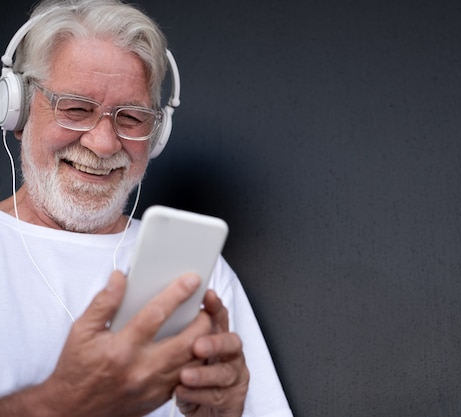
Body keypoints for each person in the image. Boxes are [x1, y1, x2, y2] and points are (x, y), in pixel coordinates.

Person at [0, 1, 293, 416]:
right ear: (18, 107)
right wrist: (61, 402)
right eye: (77, 108)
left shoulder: (198, 274)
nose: (103, 143)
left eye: (132, 117)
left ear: (157, 135)